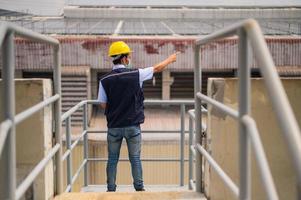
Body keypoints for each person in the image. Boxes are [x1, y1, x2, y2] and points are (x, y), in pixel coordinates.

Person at [97, 41, 179, 192]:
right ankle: (139, 189)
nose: (129, 58)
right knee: (134, 158)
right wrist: (170, 59)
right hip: (132, 126)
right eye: (128, 56)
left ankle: (110, 189)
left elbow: (102, 104)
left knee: (112, 159)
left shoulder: (104, 80)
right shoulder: (136, 74)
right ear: (123, 58)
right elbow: (157, 68)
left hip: (114, 126)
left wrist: (116, 109)